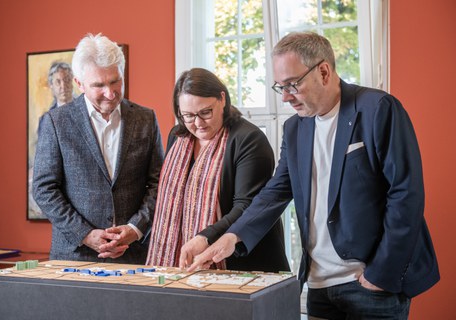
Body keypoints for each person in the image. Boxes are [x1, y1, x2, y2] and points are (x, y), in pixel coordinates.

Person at [186, 32, 440, 319]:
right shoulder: (295, 129)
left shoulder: (378, 109)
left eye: (292, 84)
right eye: (279, 87)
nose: (285, 97)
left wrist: (382, 273)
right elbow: (276, 191)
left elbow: (405, 193)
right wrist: (231, 237)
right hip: (318, 285)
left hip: (371, 285)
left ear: (323, 71)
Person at [32, 33, 164, 264]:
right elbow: (44, 189)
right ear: (79, 84)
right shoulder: (56, 122)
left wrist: (135, 228)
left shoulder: (145, 119)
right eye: (98, 85)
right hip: (73, 258)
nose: (110, 93)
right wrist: (84, 234)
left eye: (115, 81)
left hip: (134, 257)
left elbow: (159, 183)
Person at [146, 68, 289, 272]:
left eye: (205, 112)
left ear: (222, 99)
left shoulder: (248, 139)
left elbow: (246, 206)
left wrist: (206, 236)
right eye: (187, 115)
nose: (197, 123)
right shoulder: (177, 137)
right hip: (184, 265)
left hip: (243, 265)